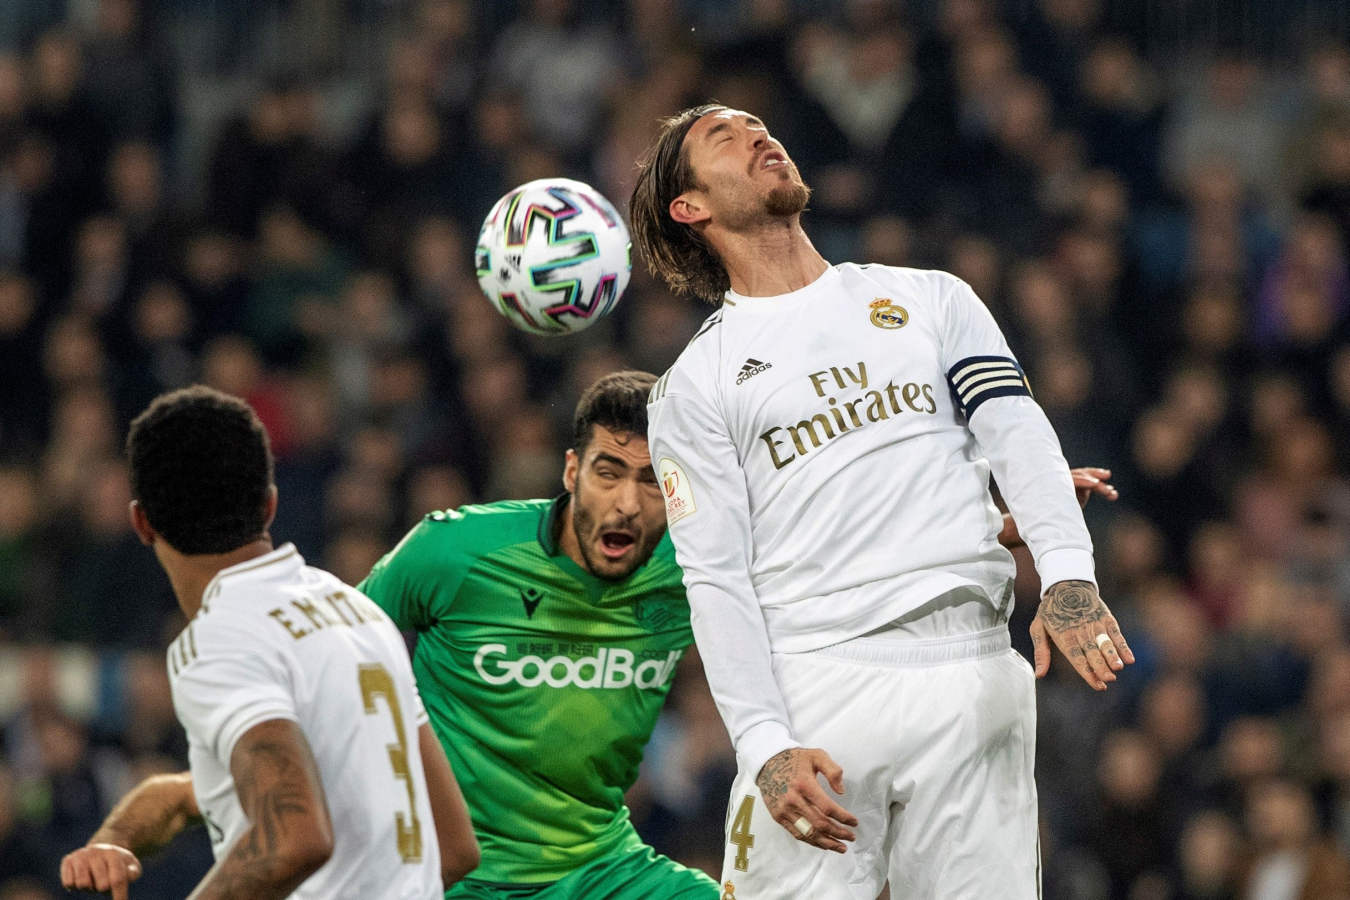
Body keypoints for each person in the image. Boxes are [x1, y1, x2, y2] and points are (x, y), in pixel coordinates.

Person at [356, 370, 1115, 899]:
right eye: (607, 471)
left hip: (600, 871)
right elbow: (342, 644)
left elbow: (848, 545)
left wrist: (1008, 526)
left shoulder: (699, 562)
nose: (625, 502)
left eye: (652, 481)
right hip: (440, 872)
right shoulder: (451, 552)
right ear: (568, 470)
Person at [631, 104, 1135, 899]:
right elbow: (716, 578)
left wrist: (1069, 572)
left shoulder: (932, 299)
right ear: (689, 208)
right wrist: (764, 746)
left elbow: (1017, 432)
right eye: (723, 138)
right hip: (818, 686)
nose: (761, 136)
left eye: (762, 125)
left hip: (972, 672)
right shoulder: (696, 385)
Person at [59, 385, 479, 899]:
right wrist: (116, 836)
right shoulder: (358, 611)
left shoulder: (214, 642)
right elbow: (456, 845)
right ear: (269, 504)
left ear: (142, 522)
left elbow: (294, 838)